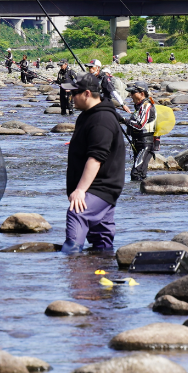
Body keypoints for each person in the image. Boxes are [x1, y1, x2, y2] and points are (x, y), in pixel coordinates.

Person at [60, 75, 125, 253]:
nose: (71, 98)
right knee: (101, 240)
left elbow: (96, 158)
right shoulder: (87, 116)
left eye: (75, 93)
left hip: (100, 187)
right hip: (98, 188)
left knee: (77, 214)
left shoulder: (102, 120)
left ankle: (72, 265)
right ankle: (104, 272)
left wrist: (80, 190)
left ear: (87, 93)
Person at [124, 82, 158, 183]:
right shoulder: (139, 107)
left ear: (142, 93)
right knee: (140, 174)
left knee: (136, 173)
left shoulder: (146, 106)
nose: (131, 95)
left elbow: (139, 125)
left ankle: (139, 195)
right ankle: (141, 196)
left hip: (145, 144)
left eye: (133, 92)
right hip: (138, 143)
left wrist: (123, 120)